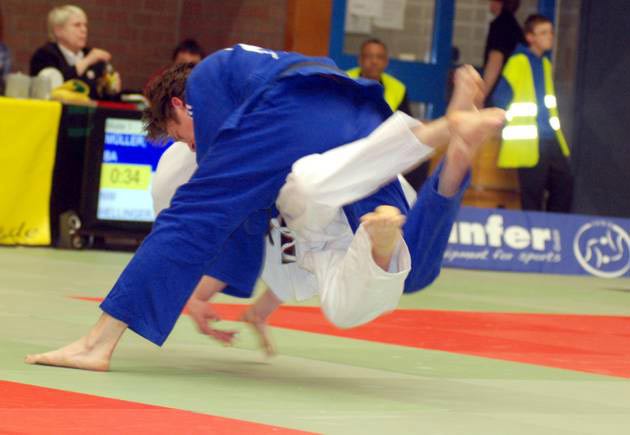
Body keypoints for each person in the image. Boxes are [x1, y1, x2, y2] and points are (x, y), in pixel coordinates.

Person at [25, 44, 504, 371]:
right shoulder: (248, 78)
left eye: (181, 135)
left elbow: (211, 216)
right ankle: (454, 143)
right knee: (400, 269)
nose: (192, 146)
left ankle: (97, 342)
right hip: (358, 119)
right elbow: (255, 224)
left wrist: (205, 287)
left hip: (300, 113)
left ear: (179, 106)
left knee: (197, 208)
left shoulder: (209, 84)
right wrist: (212, 293)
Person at [491, 14, 572, 212]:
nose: (549, 36)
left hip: (550, 137)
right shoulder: (518, 62)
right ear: (530, 37)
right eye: (543, 33)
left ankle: (555, 226)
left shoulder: (545, 63)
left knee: (564, 182)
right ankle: (536, 228)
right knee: (533, 193)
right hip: (528, 140)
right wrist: (507, 123)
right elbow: (500, 97)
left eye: (550, 32)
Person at [347, 38, 429, 191]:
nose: (374, 61)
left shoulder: (397, 87)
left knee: (419, 157)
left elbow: (406, 123)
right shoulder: (344, 80)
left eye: (379, 57)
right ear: (360, 60)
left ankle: (409, 203)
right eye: (369, 56)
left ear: (386, 62)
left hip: (382, 143)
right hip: (349, 140)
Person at [30, 4, 121, 100]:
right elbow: (56, 86)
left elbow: (102, 97)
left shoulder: (92, 56)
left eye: (85, 25)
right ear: (58, 31)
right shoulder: (44, 55)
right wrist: (86, 62)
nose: (84, 30)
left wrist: (112, 90)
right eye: (77, 25)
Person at [481, 0, 524, 105]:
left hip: (498, 91)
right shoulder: (515, 27)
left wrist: (482, 94)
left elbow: (496, 59)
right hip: (512, 88)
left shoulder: (500, 26)